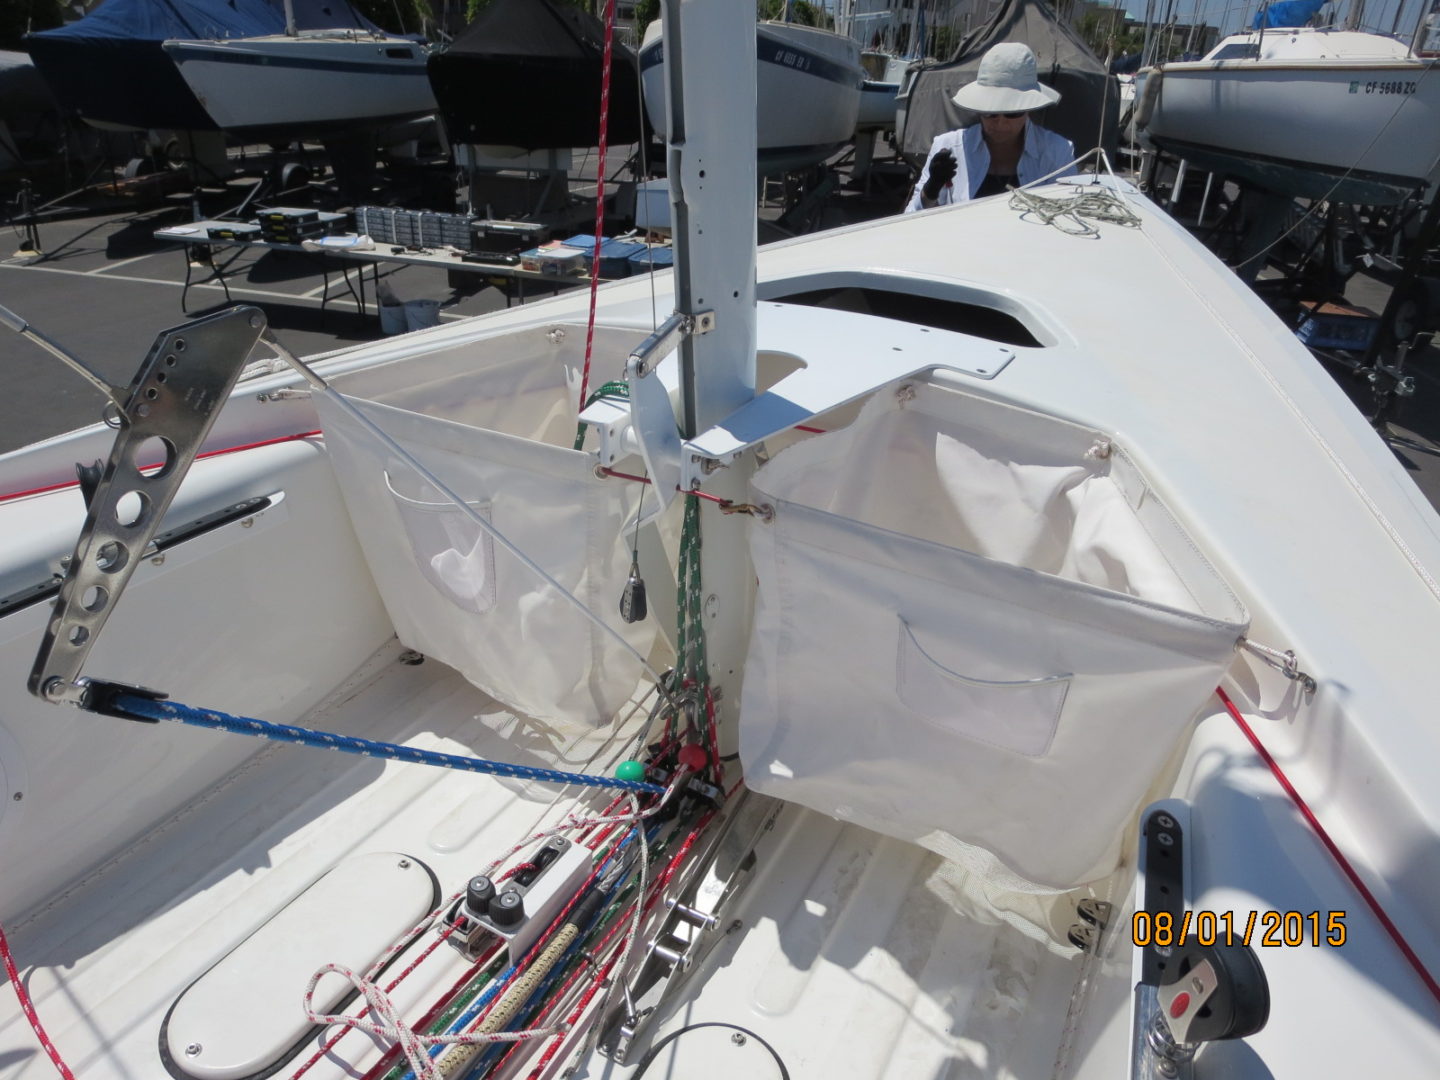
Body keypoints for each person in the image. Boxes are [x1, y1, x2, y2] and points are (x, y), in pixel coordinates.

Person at [905, 42, 1077, 213]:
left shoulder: (1057, 152)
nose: (1000, 122)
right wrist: (931, 190)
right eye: (991, 113)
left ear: (1028, 110)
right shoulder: (948, 146)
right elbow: (910, 219)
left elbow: (1070, 215)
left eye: (1012, 113)